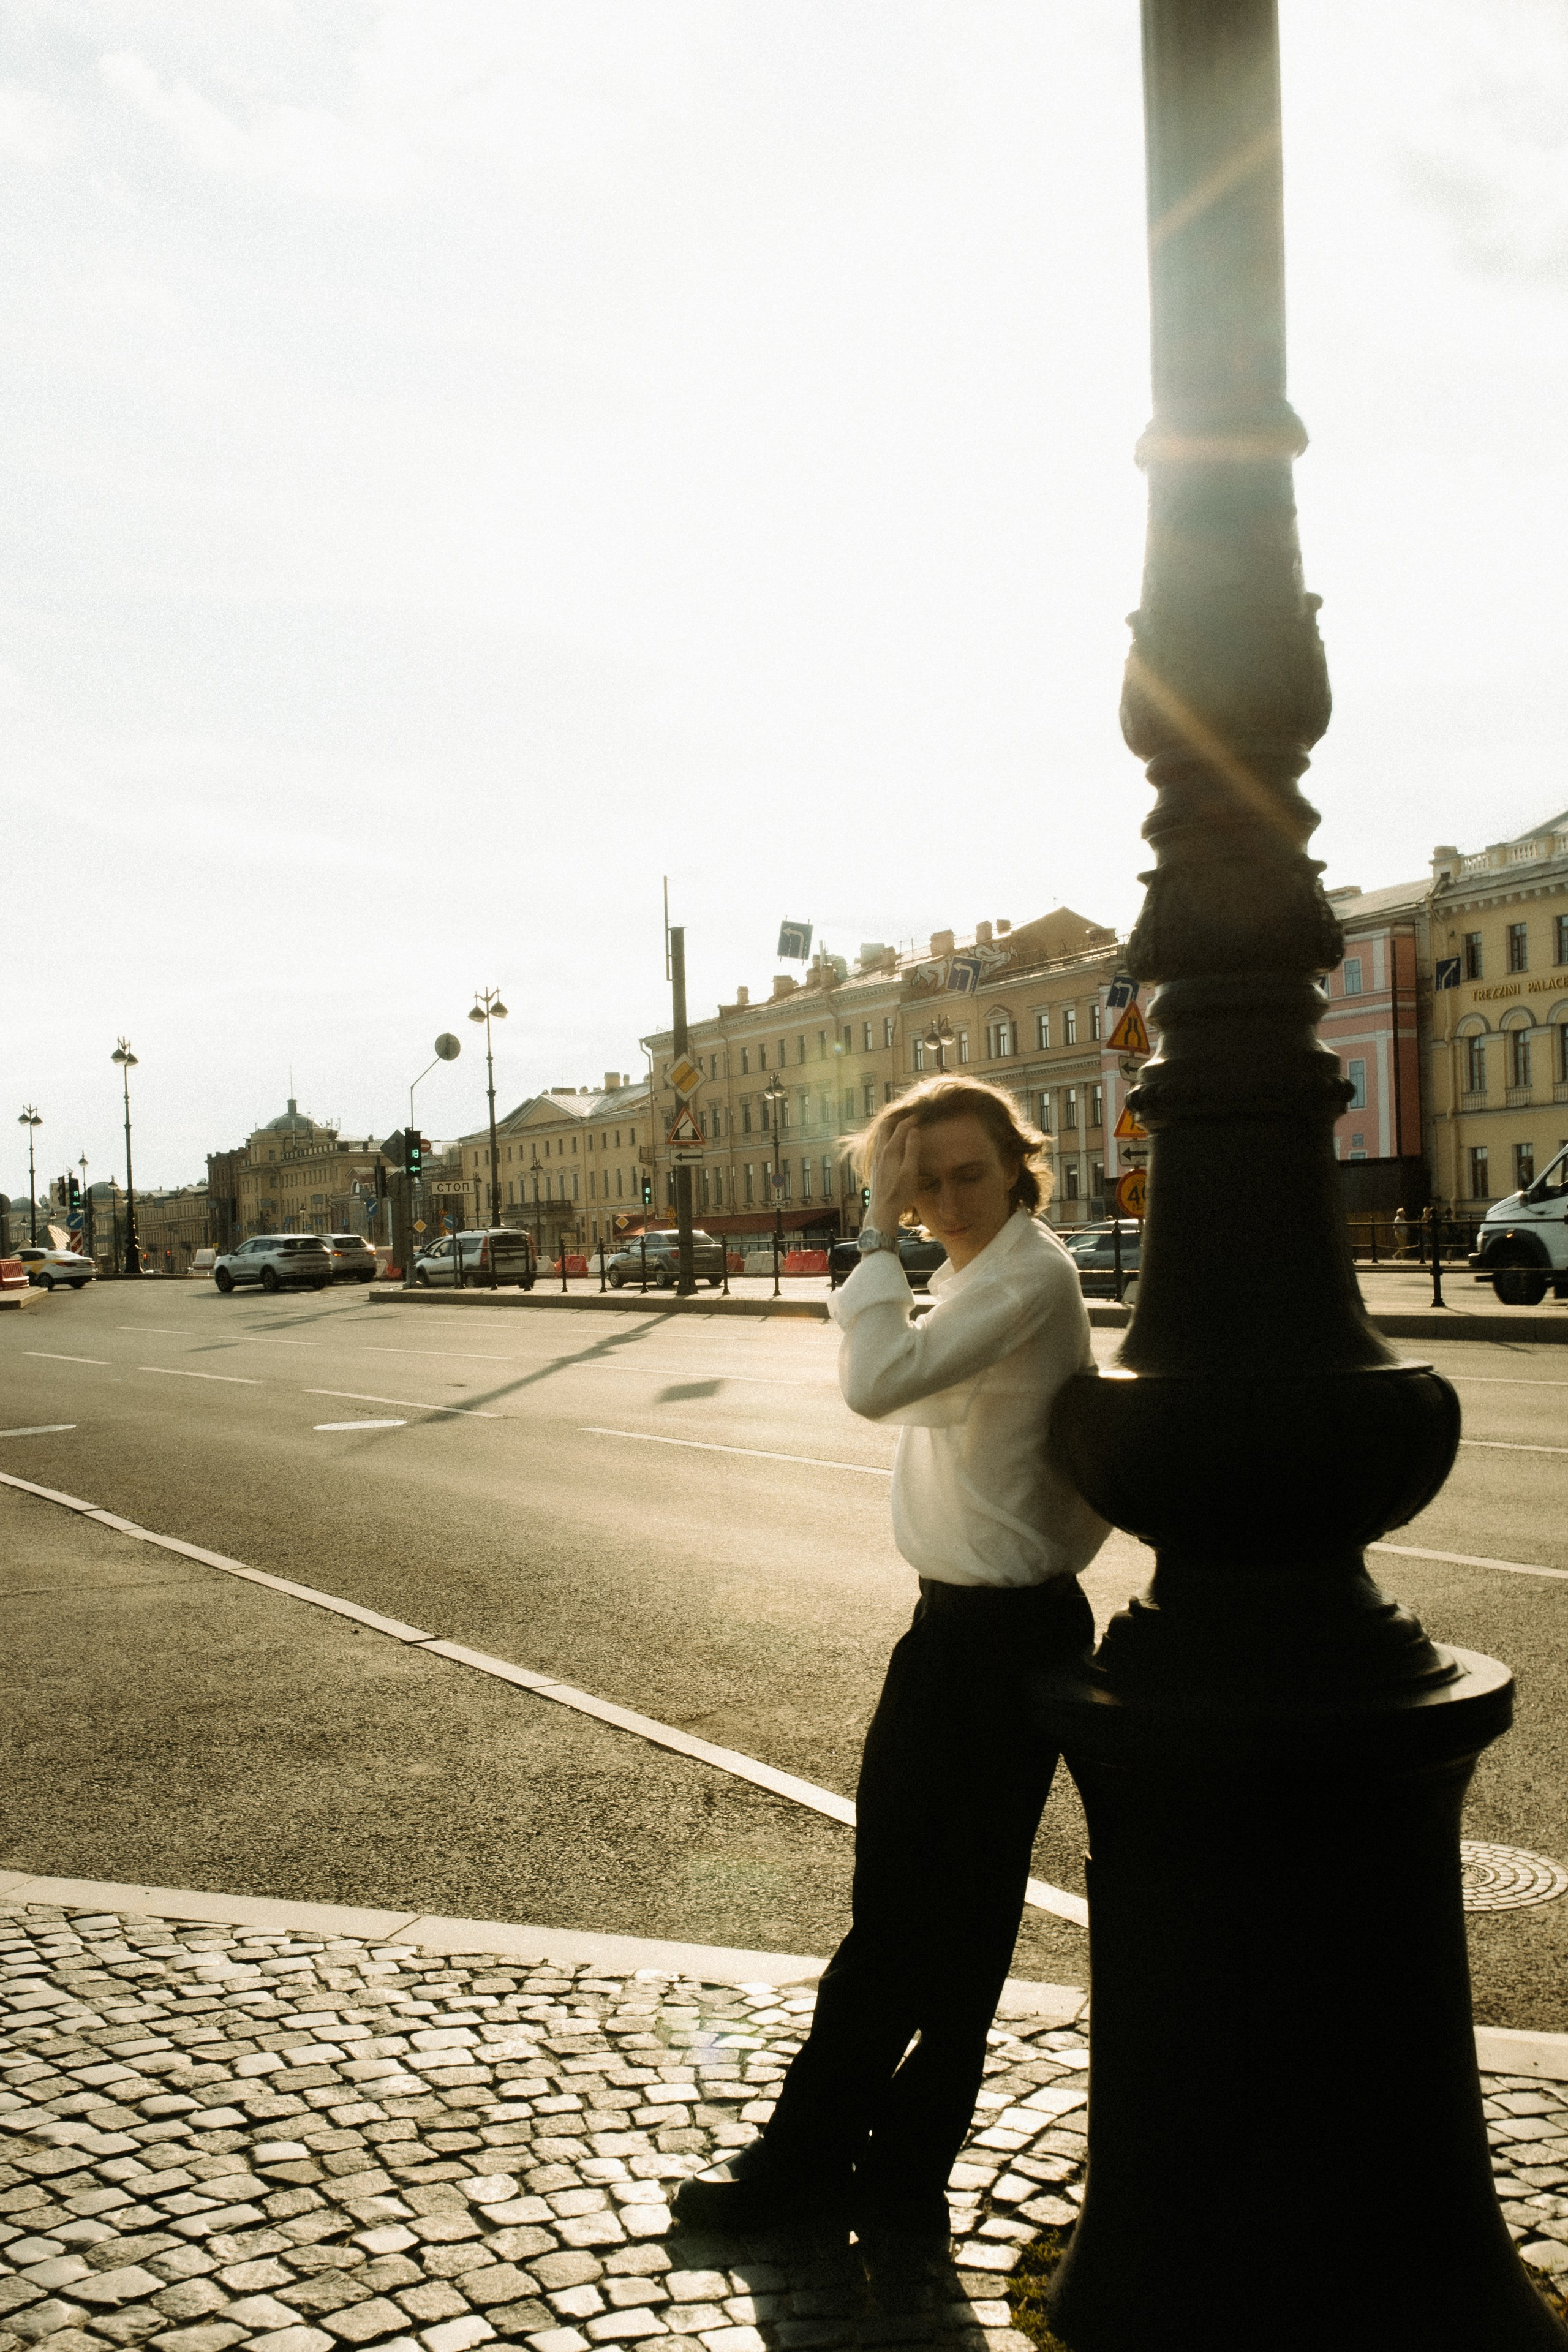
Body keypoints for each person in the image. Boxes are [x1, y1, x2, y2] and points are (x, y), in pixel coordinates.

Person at [675, 1075, 1109, 2244]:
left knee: (902, 1921)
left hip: (989, 1640)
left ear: (1018, 1165)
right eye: (924, 1181)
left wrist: (867, 1229)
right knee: (955, 1926)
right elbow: (922, 1403)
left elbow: (877, 1387)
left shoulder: (1021, 1276)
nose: (946, 1198)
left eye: (967, 1173)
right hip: (976, 1632)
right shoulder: (991, 1276)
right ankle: (903, 2174)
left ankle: (804, 2162)